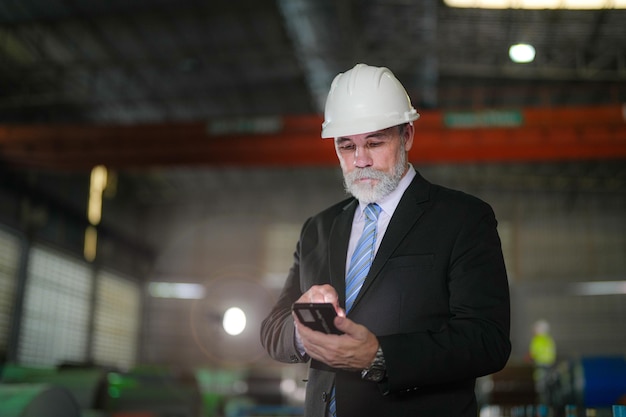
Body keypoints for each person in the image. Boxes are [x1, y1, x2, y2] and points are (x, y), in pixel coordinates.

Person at [260, 63, 511, 417]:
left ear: (407, 136)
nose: (360, 160)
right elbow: (273, 330)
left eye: (374, 142)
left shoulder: (463, 219)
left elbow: (487, 340)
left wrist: (379, 356)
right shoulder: (318, 228)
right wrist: (305, 327)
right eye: (346, 146)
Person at [529, 319, 556, 404]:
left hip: (540, 367)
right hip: (549, 367)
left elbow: (533, 354)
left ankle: (542, 407)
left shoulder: (538, 340)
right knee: (548, 388)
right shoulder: (549, 339)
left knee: (540, 389)